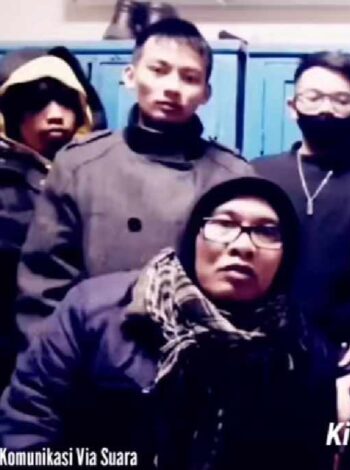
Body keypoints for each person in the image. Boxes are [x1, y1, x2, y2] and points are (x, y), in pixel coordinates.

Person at [0, 177, 336, 469]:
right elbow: (28, 420)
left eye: (267, 231)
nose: (242, 246)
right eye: (224, 224)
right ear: (193, 237)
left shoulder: (301, 351)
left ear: (286, 257)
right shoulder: (96, 311)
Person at [15, 18, 252, 338]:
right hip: (94, 353)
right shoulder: (80, 166)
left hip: (199, 354)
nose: (172, 87)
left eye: (189, 77)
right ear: (130, 75)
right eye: (158, 70)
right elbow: (44, 285)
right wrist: (56, 358)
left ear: (205, 93)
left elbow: (248, 291)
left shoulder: (233, 176)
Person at [251, 51, 350, 402]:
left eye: (340, 100)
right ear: (293, 106)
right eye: (313, 97)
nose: (325, 110)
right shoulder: (259, 173)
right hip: (264, 351)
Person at [0, 50, 100, 390]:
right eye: (38, 106)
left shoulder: (100, 175)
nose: (55, 115)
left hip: (85, 349)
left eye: (66, 104)